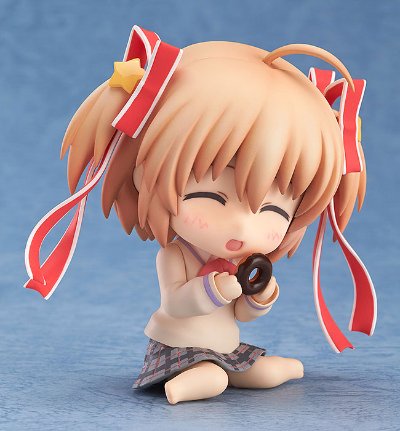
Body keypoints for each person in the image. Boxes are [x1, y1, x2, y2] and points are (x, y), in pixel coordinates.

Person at [24, 25, 376, 405]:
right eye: (212, 197)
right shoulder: (176, 256)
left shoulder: (240, 262)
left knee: (260, 372)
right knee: (213, 377)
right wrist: (213, 290)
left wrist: (259, 298)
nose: (242, 225)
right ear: (147, 176)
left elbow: (242, 312)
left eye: (273, 210)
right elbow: (176, 303)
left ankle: (265, 371)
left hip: (226, 344)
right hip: (179, 346)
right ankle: (182, 384)